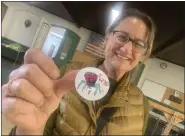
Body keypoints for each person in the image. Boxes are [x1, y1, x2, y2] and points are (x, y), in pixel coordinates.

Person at [2, 8, 156, 135]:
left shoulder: (142, 104)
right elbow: (38, 126)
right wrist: (28, 129)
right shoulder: (69, 74)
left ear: (144, 53)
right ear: (107, 38)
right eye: (122, 37)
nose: (127, 48)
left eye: (138, 44)